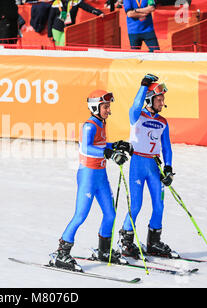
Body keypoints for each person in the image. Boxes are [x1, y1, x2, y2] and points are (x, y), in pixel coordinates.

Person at [50, 90, 134, 271]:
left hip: (101, 176)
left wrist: (117, 144)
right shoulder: (89, 126)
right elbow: (86, 148)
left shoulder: (102, 123)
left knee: (110, 214)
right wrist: (109, 153)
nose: (108, 110)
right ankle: (62, 253)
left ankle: (104, 251)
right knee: (80, 215)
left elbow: (101, 145)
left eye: (109, 106)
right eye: (105, 107)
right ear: (95, 106)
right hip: (88, 175)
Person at [118, 73, 175, 259]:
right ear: (150, 100)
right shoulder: (137, 116)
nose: (162, 102)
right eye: (159, 99)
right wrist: (144, 86)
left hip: (154, 165)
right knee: (136, 205)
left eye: (163, 99)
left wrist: (168, 168)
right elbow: (135, 105)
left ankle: (154, 242)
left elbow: (167, 147)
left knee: (159, 205)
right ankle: (126, 241)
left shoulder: (163, 122)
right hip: (137, 164)